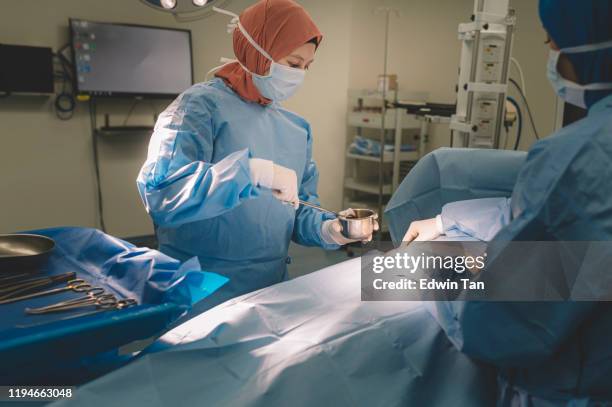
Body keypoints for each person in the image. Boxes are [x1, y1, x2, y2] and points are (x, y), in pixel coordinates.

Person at [404, 0, 612, 404]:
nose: (552, 57)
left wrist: (438, 280)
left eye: (552, 44)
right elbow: (561, 218)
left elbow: (501, 324)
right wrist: (449, 220)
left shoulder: (581, 156)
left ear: (587, 48)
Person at [137, 0, 375, 306]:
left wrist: (331, 230)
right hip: (200, 289)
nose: (299, 74)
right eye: (292, 63)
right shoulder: (196, 109)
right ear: (257, 52)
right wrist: (250, 172)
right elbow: (162, 194)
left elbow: (298, 208)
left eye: (306, 66)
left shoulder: (295, 128)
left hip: (270, 289)